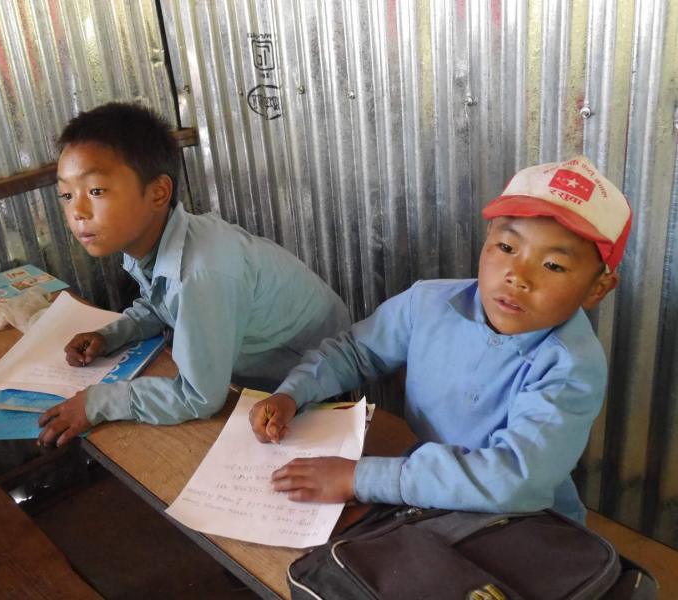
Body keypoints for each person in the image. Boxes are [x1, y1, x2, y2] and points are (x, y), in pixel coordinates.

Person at [249, 156, 631, 524]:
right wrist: (293, 393)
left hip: (524, 523)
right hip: (426, 495)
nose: (518, 275)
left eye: (553, 265)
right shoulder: (428, 303)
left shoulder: (571, 366)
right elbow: (355, 351)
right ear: (487, 239)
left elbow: (515, 476)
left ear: (598, 288)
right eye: (506, 247)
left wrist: (360, 478)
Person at [38, 102, 350, 447]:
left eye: (96, 191)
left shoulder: (201, 272)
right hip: (249, 368)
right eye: (66, 195)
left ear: (158, 193)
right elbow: (162, 302)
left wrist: (97, 402)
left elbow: (200, 398)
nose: (78, 211)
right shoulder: (156, 242)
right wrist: (113, 335)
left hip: (309, 380)